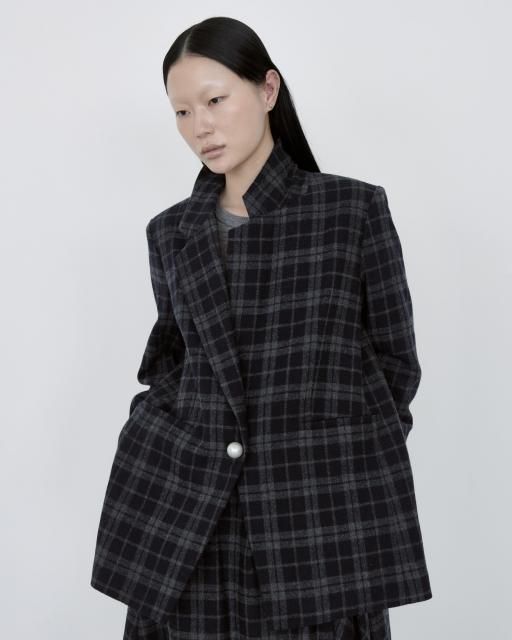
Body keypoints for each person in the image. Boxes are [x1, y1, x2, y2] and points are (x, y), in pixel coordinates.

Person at [90, 16, 432, 640]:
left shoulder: (351, 211)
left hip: (315, 529)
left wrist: (337, 456)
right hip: (189, 520)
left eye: (215, 100)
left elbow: (396, 365)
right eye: (182, 112)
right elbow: (169, 366)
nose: (200, 127)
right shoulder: (171, 232)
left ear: (267, 90)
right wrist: (165, 434)